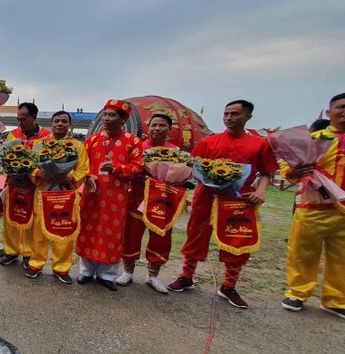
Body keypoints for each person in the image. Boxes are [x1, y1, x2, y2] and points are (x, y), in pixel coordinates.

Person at [167, 100, 278, 309]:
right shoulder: (209, 142)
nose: (229, 118)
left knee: (238, 240)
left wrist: (261, 191)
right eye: (226, 114)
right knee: (195, 235)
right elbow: (195, 168)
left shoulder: (259, 145)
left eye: (235, 114)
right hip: (207, 197)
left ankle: (229, 285)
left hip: (239, 199)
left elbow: (266, 173)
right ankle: (186, 276)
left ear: (248, 117)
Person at [280, 93, 345, 319]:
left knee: (342, 257)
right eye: (341, 107)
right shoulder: (315, 138)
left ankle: (336, 299)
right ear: (329, 113)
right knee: (303, 252)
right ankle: (298, 292)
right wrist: (292, 173)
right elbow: (286, 169)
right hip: (313, 205)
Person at [75, 100, 144, 290]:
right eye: (105, 114)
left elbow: (139, 167)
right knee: (88, 229)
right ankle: (86, 271)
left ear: (123, 119)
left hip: (117, 197)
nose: (106, 118)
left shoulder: (133, 141)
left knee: (112, 233)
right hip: (92, 193)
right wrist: (88, 175)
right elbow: (82, 165)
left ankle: (107, 274)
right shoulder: (92, 140)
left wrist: (117, 168)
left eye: (111, 115)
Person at [117, 114, 179, 293]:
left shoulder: (176, 152)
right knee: (131, 236)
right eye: (154, 125)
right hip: (137, 199)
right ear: (148, 128)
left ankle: (153, 276)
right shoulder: (138, 148)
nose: (157, 129)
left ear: (169, 129)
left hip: (162, 203)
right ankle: (128, 272)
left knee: (161, 238)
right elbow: (127, 168)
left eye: (162, 125)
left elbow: (182, 176)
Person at [26, 111, 89, 284]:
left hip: (66, 193)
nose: (60, 124)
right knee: (39, 230)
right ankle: (36, 263)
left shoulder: (77, 146)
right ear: (51, 123)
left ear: (69, 125)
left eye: (64, 121)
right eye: (57, 121)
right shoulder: (40, 144)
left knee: (64, 228)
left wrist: (69, 177)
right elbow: (30, 165)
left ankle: (61, 267)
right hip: (43, 191)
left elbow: (83, 168)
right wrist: (40, 173)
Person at [0, 102, 52, 267]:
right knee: (11, 218)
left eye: (23, 119)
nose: (20, 123)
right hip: (14, 183)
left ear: (34, 117)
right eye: (18, 119)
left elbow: (46, 161)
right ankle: (11, 251)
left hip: (34, 185)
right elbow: (6, 158)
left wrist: (34, 173)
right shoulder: (13, 134)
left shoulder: (46, 136)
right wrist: (12, 173)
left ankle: (29, 254)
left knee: (31, 220)